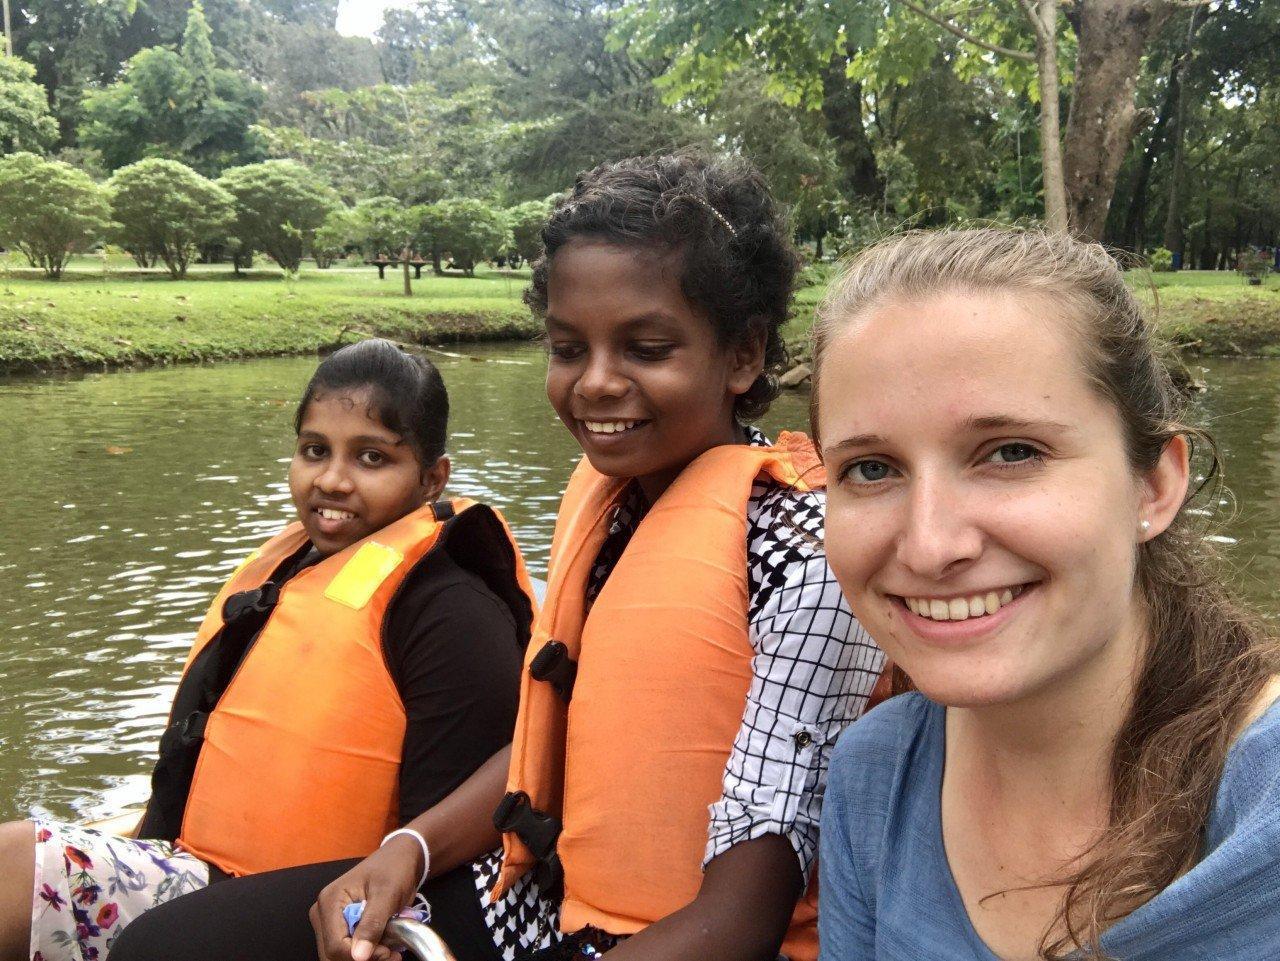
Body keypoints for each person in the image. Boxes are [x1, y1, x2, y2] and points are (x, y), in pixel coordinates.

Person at [105, 152, 884, 961]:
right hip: (541, 905)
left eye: (646, 348)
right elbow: (563, 737)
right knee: (171, 945)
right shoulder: (613, 504)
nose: (596, 383)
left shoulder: (806, 553)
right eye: (569, 348)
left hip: (677, 939)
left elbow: (746, 916)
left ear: (744, 355)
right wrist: (404, 848)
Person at [810, 227, 1280, 960]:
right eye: (871, 469)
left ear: (1154, 485)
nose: (930, 546)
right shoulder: (876, 774)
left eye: (1011, 452)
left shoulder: (1264, 809)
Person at [0, 338, 535, 961]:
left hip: (314, 909)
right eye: (315, 451)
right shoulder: (291, 567)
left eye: (371, 458)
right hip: (200, 869)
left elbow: (454, 850)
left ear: (431, 477)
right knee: (15, 860)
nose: (332, 481)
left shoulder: (453, 612)